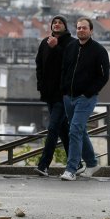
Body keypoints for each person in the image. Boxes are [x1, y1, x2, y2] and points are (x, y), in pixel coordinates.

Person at [59, 17, 110, 181]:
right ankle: (92, 162)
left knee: (74, 130)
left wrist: (89, 92)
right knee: (79, 130)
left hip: (85, 98)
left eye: (84, 28)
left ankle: (71, 169)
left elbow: (104, 76)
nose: (81, 30)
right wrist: (64, 89)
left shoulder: (99, 51)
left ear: (91, 30)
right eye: (79, 28)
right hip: (69, 96)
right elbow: (64, 69)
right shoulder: (71, 47)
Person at [33, 15, 74, 177]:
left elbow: (69, 63)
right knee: (62, 129)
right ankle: (76, 163)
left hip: (63, 94)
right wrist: (40, 85)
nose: (57, 25)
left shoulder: (71, 43)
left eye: (60, 23)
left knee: (52, 128)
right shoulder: (45, 42)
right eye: (54, 23)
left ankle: (44, 165)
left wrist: (56, 47)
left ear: (65, 26)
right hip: (49, 93)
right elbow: (39, 64)